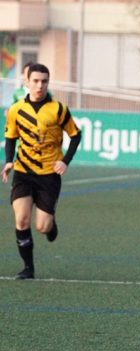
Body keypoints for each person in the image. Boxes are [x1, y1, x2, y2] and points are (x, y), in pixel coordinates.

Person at [2, 63, 82, 280]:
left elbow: (76, 135)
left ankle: (50, 226)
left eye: (44, 81)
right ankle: (28, 268)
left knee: (42, 227)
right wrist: (9, 161)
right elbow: (10, 137)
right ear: (26, 81)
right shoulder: (16, 109)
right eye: (35, 81)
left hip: (49, 175)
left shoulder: (58, 109)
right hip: (23, 172)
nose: (40, 85)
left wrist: (65, 161)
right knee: (21, 220)